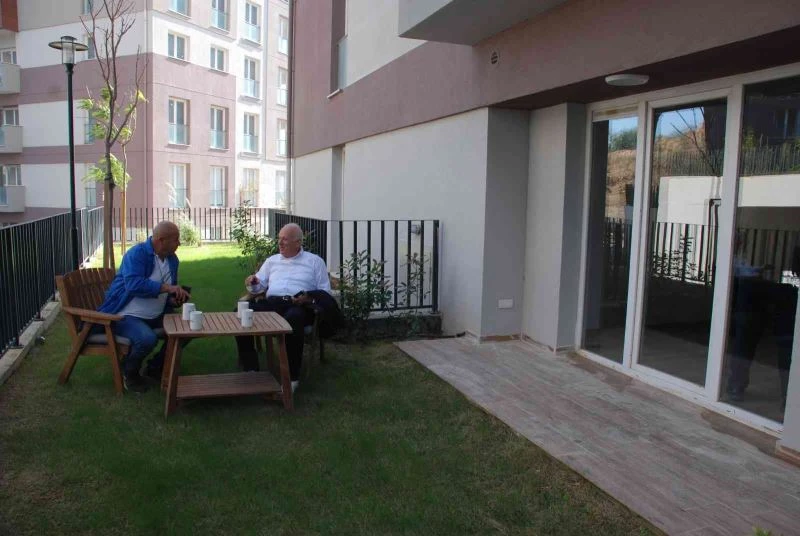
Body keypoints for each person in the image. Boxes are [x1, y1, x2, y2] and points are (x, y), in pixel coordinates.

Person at [235, 223, 339, 392]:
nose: (280, 243)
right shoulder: (272, 261)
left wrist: (308, 297)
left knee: (294, 319)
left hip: (298, 305)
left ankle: (291, 377)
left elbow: (324, 292)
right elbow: (258, 286)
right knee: (240, 312)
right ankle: (251, 367)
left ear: (298, 242)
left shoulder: (314, 261)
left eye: (285, 239)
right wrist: (252, 282)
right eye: (279, 239)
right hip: (273, 304)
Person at [97, 221, 190, 393]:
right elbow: (133, 284)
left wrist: (173, 300)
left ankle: (155, 367)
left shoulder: (172, 260)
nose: (179, 243)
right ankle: (129, 372)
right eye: (176, 239)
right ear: (161, 240)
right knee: (147, 339)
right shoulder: (137, 254)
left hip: (156, 314)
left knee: (188, 329)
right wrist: (167, 288)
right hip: (126, 315)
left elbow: (166, 291)